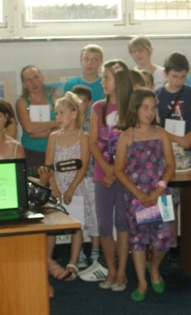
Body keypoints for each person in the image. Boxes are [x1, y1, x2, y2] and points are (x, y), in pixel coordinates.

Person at [114, 88, 176, 302]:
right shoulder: (126, 137)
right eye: (145, 107)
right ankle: (142, 281)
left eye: (153, 108)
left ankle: (154, 267)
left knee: (165, 239)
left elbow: (170, 165)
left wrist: (159, 189)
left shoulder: (161, 134)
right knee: (138, 240)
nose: (149, 112)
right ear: (136, 109)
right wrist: (138, 193)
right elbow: (118, 170)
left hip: (160, 194)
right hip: (136, 196)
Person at [89, 59, 133, 291]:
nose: (102, 82)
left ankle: (122, 272)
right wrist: (107, 170)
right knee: (104, 224)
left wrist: (116, 172)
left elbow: (135, 144)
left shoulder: (132, 109)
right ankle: (111, 269)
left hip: (125, 175)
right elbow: (92, 143)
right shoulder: (98, 108)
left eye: (106, 77)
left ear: (119, 80)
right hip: (102, 174)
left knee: (122, 223)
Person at [45, 92, 90, 280]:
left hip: (75, 187)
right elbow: (48, 165)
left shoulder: (83, 137)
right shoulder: (53, 137)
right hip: (57, 186)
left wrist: (71, 189)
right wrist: (54, 186)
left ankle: (73, 263)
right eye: (56, 113)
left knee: (76, 226)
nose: (58, 117)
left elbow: (84, 165)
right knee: (51, 227)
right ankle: (47, 260)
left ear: (74, 113)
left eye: (62, 113)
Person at [156, 52, 191, 166]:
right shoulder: (157, 96)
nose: (178, 81)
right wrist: (180, 140)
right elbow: (155, 128)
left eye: (183, 77)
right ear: (165, 73)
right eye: (174, 76)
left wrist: (187, 141)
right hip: (168, 149)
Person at [70, 84, 100, 269]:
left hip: (91, 176)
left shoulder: (92, 124)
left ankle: (95, 250)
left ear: (89, 103)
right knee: (76, 216)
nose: (79, 105)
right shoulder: (70, 124)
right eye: (76, 101)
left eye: (83, 101)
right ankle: (78, 251)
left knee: (95, 214)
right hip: (74, 178)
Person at [16, 65, 58, 169]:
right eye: (28, 80)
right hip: (31, 153)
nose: (33, 82)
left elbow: (64, 126)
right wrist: (54, 123)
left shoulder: (55, 99)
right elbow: (29, 128)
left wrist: (44, 134)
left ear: (42, 78)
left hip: (55, 150)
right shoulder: (22, 102)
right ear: (24, 84)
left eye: (36, 77)